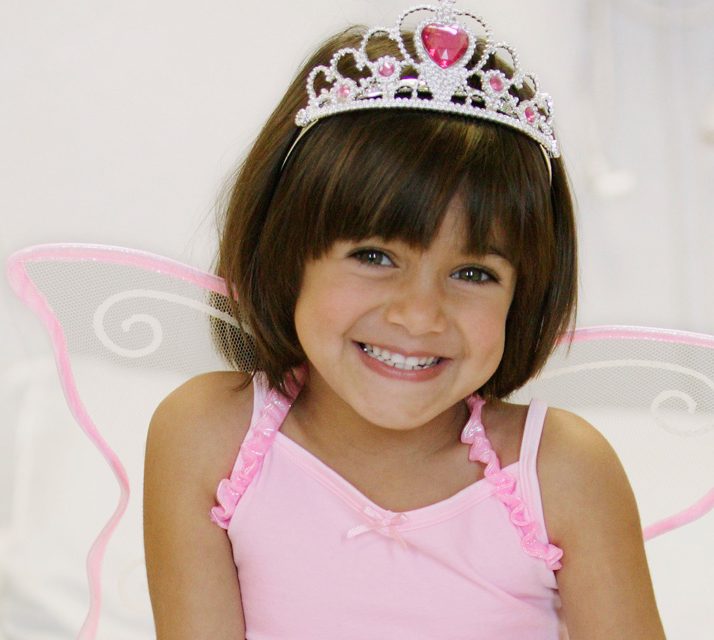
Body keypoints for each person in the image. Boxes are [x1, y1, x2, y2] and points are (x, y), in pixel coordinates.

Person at [142, 2, 666, 638]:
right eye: (374, 256)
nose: (418, 316)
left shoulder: (562, 472)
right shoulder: (209, 436)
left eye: (473, 273)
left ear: (524, 297)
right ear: (285, 256)